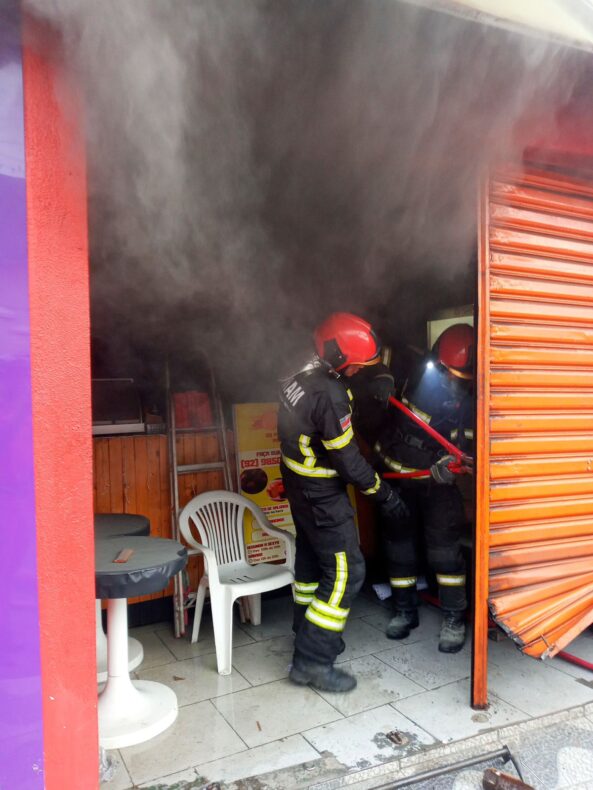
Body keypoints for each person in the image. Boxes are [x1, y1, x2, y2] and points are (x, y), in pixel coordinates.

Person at [278, 312, 407, 692]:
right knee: (347, 571)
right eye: (354, 367)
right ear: (337, 359)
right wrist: (384, 494)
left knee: (309, 562)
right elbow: (349, 462)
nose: (356, 373)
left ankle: (306, 632)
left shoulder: (297, 375)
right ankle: (312, 661)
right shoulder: (330, 394)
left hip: (298, 486)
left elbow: (315, 421)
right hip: (321, 495)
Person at [374, 323, 474, 654]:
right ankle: (404, 611)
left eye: (464, 378)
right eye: (452, 375)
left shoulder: (476, 394)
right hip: (397, 474)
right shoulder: (412, 368)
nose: (456, 384)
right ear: (439, 361)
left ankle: (454, 618)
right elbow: (378, 351)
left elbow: (472, 448)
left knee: (445, 551)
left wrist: (455, 465)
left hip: (439, 482)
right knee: (399, 548)